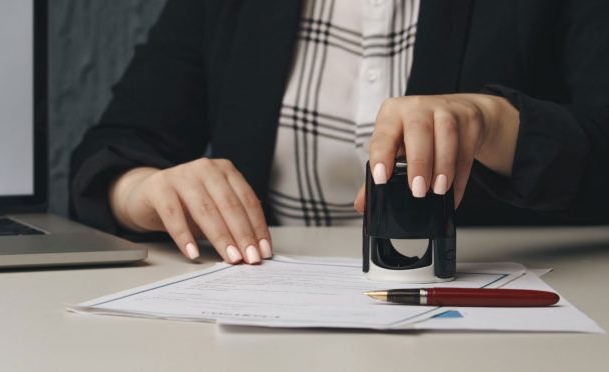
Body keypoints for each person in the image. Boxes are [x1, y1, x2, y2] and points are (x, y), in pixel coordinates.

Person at [69, 0, 609, 265]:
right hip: (266, 319)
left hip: (492, 323)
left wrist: (498, 125)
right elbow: (115, 148)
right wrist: (143, 190)